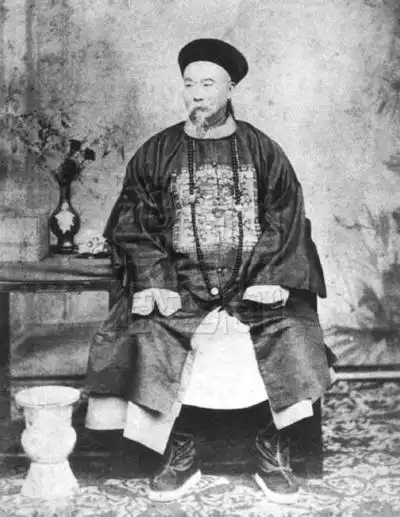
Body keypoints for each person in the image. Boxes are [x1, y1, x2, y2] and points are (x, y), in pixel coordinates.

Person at [85, 38, 336, 504]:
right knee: (149, 329)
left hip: (251, 283)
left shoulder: (263, 150)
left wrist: (268, 278)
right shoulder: (156, 152)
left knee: (290, 329)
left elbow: (286, 218)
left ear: (230, 88)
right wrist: (158, 281)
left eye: (208, 84)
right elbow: (134, 222)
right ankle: (178, 449)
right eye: (189, 84)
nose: (197, 94)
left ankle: (270, 446)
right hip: (181, 286)